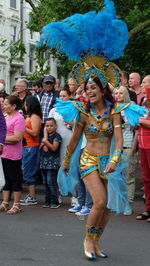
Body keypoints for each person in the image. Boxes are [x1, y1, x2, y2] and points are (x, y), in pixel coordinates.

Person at [39, 0, 145, 259]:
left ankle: (97, 241)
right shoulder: (83, 113)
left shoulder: (115, 111)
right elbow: (74, 140)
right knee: (98, 202)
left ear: (103, 88)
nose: (89, 91)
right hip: (88, 161)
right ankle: (87, 240)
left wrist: (115, 161)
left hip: (109, 161)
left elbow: (119, 140)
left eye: (93, 88)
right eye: (86, 88)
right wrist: (66, 160)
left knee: (107, 208)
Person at [0, 96, 25, 214]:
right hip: (3, 153)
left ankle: (17, 204)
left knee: (15, 179)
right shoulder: (4, 116)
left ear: (14, 106)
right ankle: (5, 203)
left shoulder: (19, 118)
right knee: (6, 179)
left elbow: (17, 137)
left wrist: (1, 139)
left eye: (6, 104)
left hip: (13, 154)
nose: (3, 106)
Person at [114, 86, 137, 215]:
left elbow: (136, 128)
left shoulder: (130, 108)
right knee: (115, 177)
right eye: (116, 93)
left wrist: (134, 147)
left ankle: (128, 204)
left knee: (128, 176)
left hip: (127, 145)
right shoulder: (111, 109)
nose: (118, 95)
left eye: (121, 93)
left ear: (126, 94)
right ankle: (118, 202)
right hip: (115, 146)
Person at [20, 96, 42, 206]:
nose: (24, 106)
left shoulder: (35, 116)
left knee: (29, 171)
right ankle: (30, 195)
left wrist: (23, 126)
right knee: (26, 170)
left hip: (31, 147)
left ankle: (32, 197)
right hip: (26, 146)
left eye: (26, 104)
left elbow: (34, 133)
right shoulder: (30, 116)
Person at [135, 75, 150, 222]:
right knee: (146, 179)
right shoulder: (144, 102)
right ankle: (148, 209)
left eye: (144, 82)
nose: (142, 85)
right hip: (143, 144)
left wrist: (138, 120)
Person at [39, 118, 62, 208]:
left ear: (55, 126)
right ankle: (47, 201)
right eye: (47, 126)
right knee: (45, 182)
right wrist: (43, 143)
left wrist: (46, 143)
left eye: (51, 126)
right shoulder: (44, 137)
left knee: (51, 182)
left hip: (52, 163)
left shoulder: (57, 136)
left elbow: (54, 148)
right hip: (43, 163)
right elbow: (39, 148)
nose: (49, 128)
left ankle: (55, 202)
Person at [49, 88, 73, 163]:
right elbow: (48, 125)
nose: (61, 98)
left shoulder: (73, 109)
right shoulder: (54, 110)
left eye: (64, 96)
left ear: (69, 96)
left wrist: (69, 122)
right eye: (60, 96)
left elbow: (77, 125)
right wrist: (46, 140)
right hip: (56, 139)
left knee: (67, 160)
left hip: (69, 137)